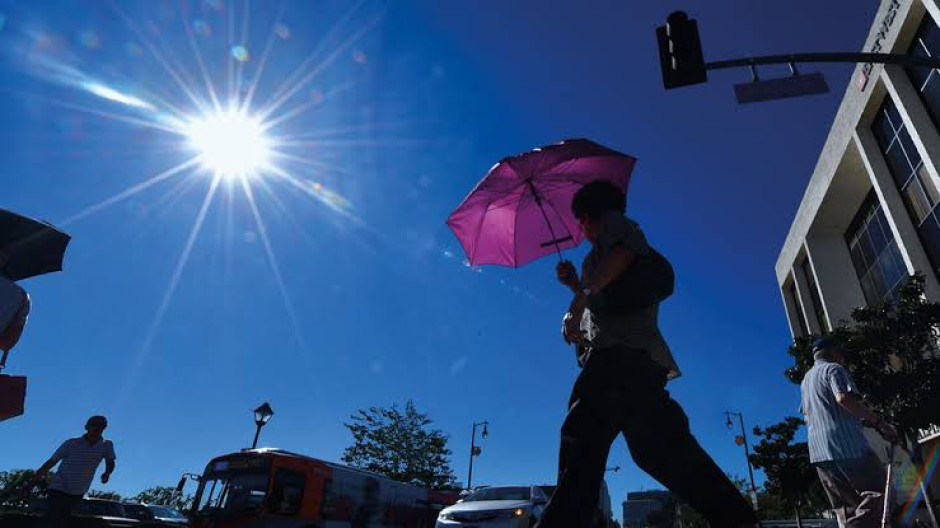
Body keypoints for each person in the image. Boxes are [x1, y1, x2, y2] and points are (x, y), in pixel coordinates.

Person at [537, 180, 757, 528]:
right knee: (660, 451)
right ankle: (737, 518)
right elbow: (601, 303)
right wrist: (574, 288)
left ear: (593, 214)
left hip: (618, 361)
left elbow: (621, 257)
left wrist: (578, 300)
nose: (581, 228)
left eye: (581, 220)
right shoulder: (595, 258)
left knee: (582, 440)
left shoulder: (616, 225)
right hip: (635, 363)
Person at [801, 338, 898, 527]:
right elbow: (843, 398)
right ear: (833, 351)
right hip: (847, 446)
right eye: (841, 352)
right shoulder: (833, 369)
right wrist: (881, 423)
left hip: (819, 453)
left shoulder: (806, 381)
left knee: (847, 508)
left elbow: (807, 414)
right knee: (881, 493)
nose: (843, 356)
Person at [24, 415, 117, 527]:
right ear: (87, 427)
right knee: (53, 518)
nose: (97, 427)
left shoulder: (106, 445)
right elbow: (52, 462)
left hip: (78, 490)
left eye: (101, 425)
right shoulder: (71, 443)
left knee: (68, 521)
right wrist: (32, 482)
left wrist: (107, 473)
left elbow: (110, 461)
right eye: (94, 424)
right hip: (59, 487)